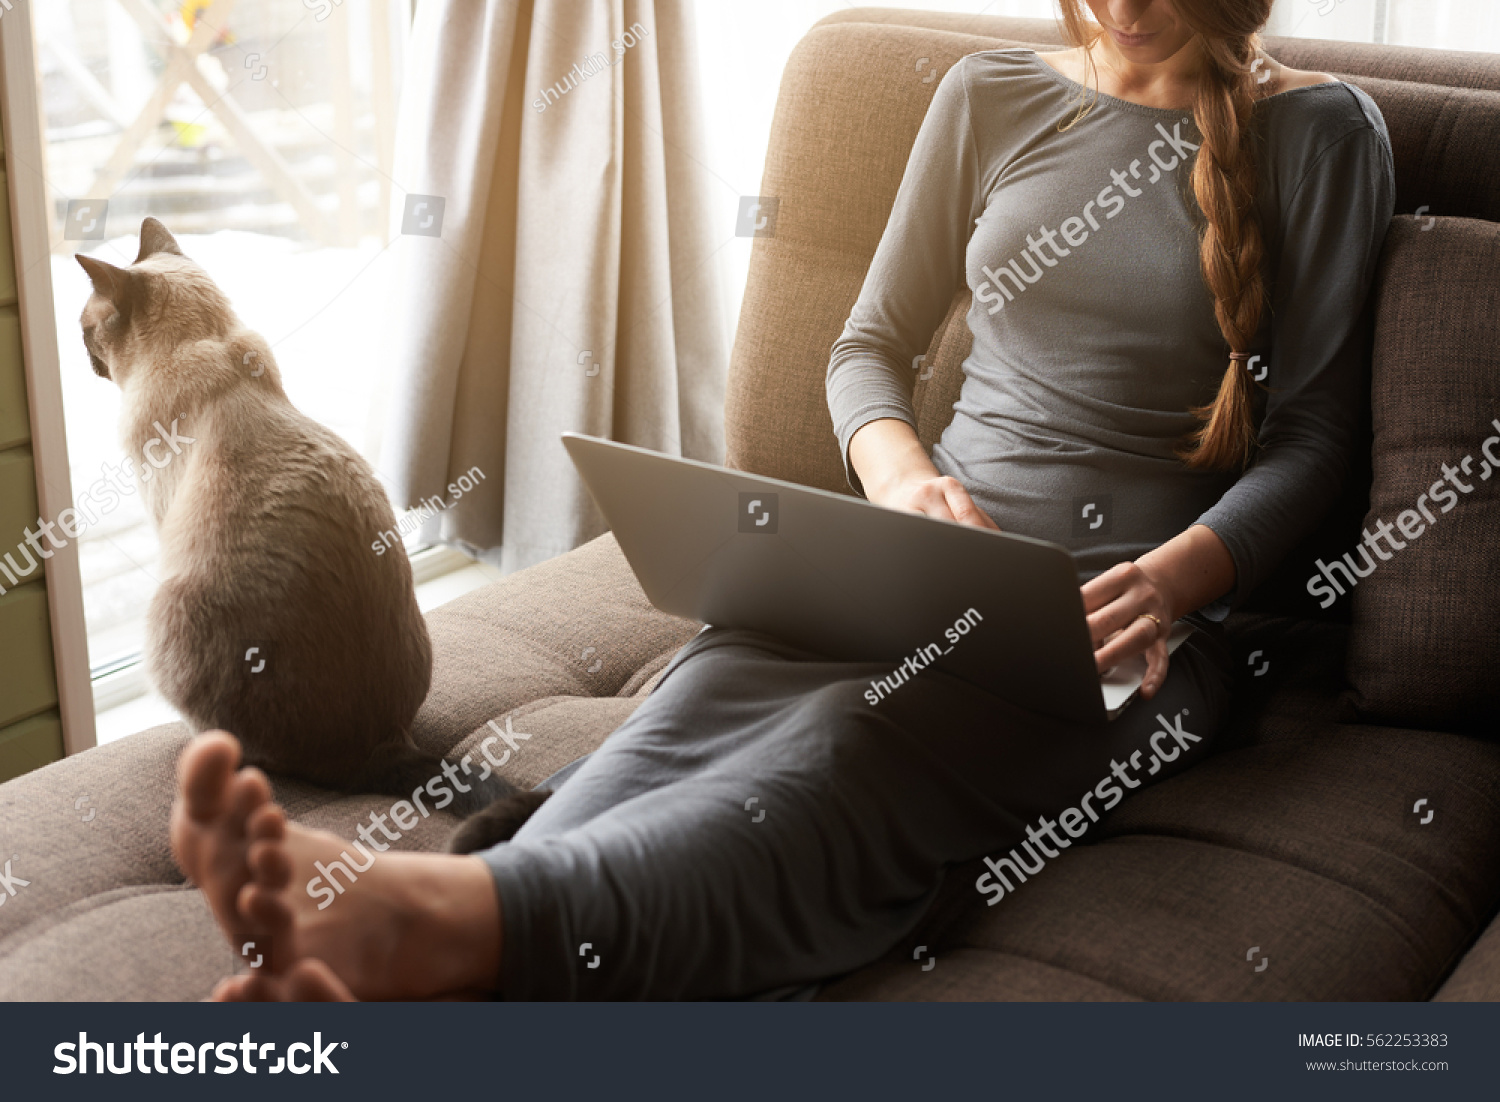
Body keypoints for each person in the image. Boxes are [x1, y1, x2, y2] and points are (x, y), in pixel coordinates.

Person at [171, 0, 1395, 1001]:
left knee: (849, 740)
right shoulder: (991, 96)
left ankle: (456, 920)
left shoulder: (1323, 135)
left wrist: (1176, 577)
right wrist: (904, 480)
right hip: (916, 564)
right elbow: (866, 347)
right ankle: (438, 952)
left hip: (1123, 629)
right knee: (686, 712)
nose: (1124, 9)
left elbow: (1316, 442)